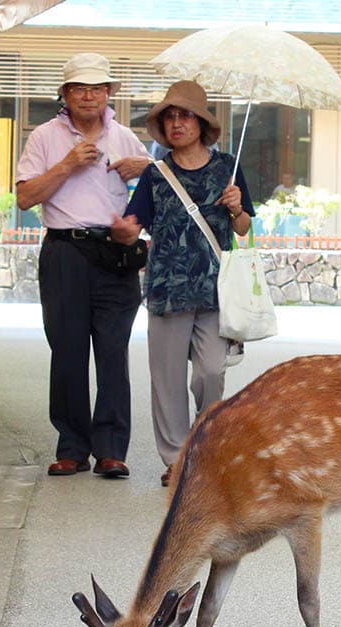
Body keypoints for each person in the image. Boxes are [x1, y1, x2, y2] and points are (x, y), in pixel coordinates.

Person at [111, 80, 254, 486]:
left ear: (201, 124)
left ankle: (205, 446)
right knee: (167, 380)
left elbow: (242, 229)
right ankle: (176, 459)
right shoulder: (156, 174)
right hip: (166, 291)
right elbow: (133, 225)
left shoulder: (228, 167)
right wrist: (123, 231)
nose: (176, 123)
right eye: (169, 117)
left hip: (213, 291)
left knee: (210, 372)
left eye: (184, 115)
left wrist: (237, 207)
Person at [15, 52, 151, 479]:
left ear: (109, 93)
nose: (88, 96)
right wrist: (67, 165)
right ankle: (72, 446)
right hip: (64, 252)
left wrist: (145, 169)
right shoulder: (44, 137)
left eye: (97, 88)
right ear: (65, 94)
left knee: (113, 353)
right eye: (79, 88)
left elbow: (156, 197)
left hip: (115, 253)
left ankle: (112, 448)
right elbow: (24, 196)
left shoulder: (126, 137)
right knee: (68, 351)